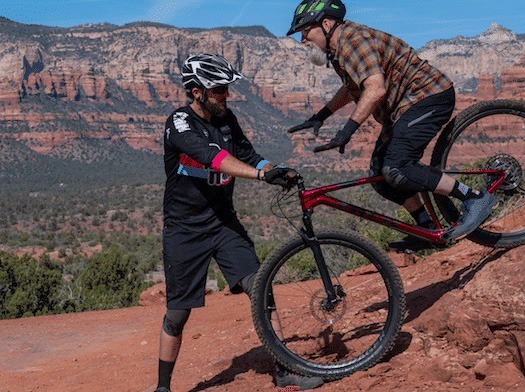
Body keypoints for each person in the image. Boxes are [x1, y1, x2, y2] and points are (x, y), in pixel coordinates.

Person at [156, 53, 323, 392]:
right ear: (196, 91)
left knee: (260, 288)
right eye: (218, 90)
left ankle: (284, 370)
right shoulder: (179, 123)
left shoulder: (226, 118)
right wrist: (262, 176)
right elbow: (214, 159)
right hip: (184, 230)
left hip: (223, 224)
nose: (225, 95)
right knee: (177, 314)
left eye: (225, 89)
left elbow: (246, 153)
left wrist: (275, 168)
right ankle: (163, 387)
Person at [287, 0, 497, 251]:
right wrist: (321, 115)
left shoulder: (353, 41)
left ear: (326, 24)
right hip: (403, 108)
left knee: (397, 167)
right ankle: (427, 228)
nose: (303, 39)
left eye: (305, 31)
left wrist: (347, 131)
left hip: (428, 96)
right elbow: (353, 86)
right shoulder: (338, 49)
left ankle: (475, 198)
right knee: (381, 177)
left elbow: (375, 89)